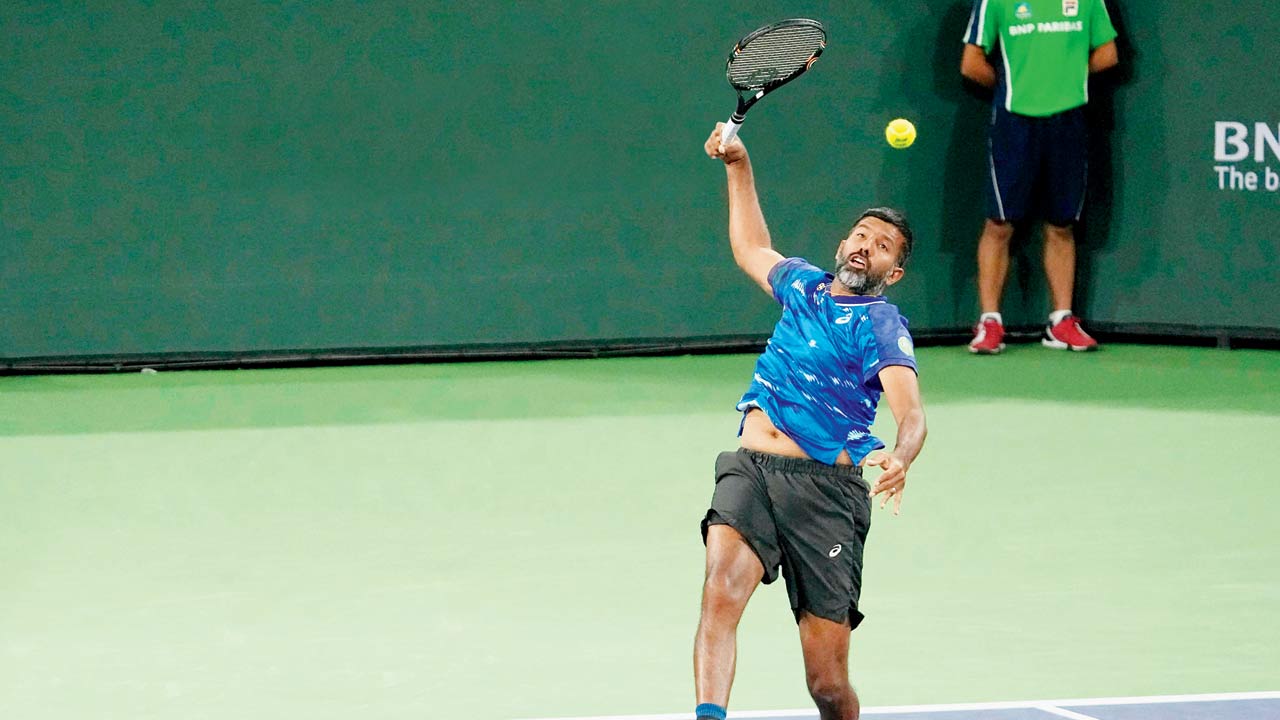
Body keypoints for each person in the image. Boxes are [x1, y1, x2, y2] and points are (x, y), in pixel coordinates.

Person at [692, 124, 928, 720]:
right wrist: (737, 165)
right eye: (859, 235)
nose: (862, 247)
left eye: (880, 247)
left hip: (827, 493)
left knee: (826, 684)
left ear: (892, 272)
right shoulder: (802, 287)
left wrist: (901, 455)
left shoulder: (881, 324)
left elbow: (913, 414)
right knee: (720, 590)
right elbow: (751, 247)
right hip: (752, 469)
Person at [961, 0, 1119, 353]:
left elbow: (1108, 53)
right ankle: (989, 322)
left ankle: (1060, 320)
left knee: (1062, 224)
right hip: (1014, 123)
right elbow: (972, 64)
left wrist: (1066, 80)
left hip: (1069, 122)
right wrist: (1011, 90)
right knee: (999, 224)